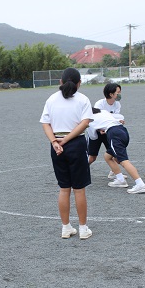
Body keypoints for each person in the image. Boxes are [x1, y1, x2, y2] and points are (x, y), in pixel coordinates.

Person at [40, 68, 94, 240]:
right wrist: (66, 139)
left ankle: (65, 227)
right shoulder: (83, 99)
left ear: (60, 82)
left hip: (57, 147)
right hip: (76, 144)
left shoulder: (51, 99)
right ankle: (83, 228)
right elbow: (85, 123)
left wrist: (55, 142)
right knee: (79, 189)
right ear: (79, 83)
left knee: (64, 188)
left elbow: (45, 123)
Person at [87, 108, 145, 194]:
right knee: (107, 156)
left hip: (113, 134)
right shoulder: (103, 112)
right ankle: (120, 179)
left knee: (123, 161)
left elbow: (93, 137)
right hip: (122, 130)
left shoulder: (89, 119)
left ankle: (140, 184)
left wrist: (96, 129)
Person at [88, 83, 126, 179]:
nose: (120, 94)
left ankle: (114, 172)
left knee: (114, 154)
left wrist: (119, 121)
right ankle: (80, 170)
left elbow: (114, 118)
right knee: (92, 157)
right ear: (111, 94)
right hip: (96, 131)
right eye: (118, 92)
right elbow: (95, 118)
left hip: (109, 131)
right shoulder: (100, 104)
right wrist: (100, 129)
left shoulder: (117, 104)